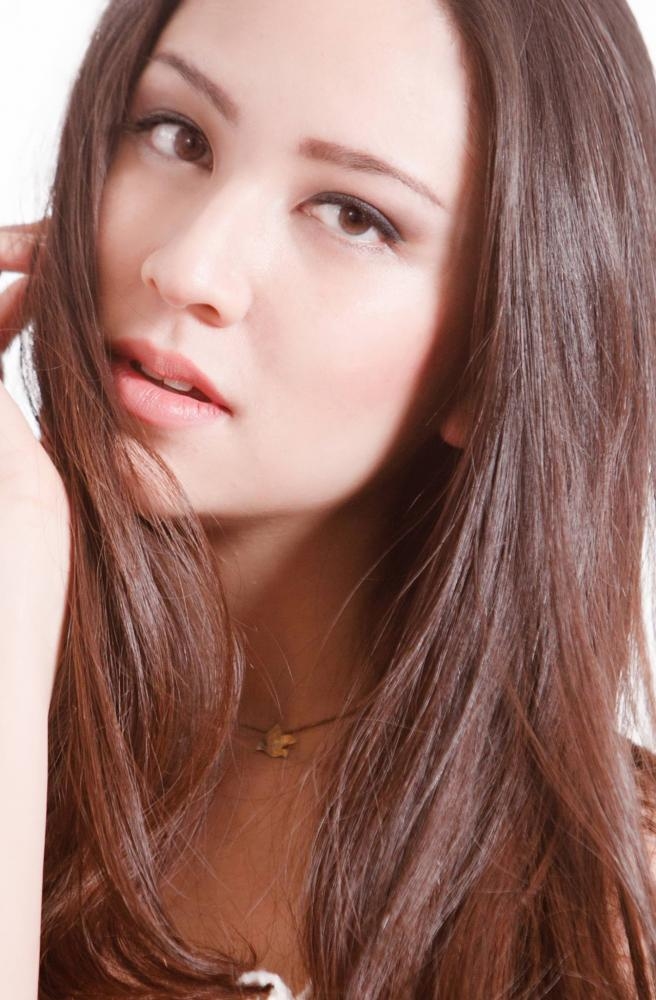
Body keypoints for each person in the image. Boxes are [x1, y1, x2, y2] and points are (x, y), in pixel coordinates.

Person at [2, 0, 656, 996]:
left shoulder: (616, 916)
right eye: (177, 135)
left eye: (354, 215)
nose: (186, 267)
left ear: (493, 352)